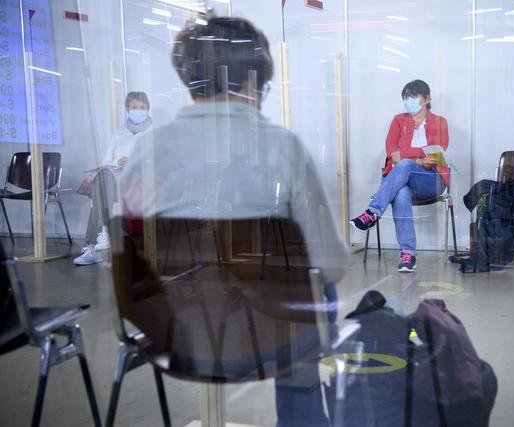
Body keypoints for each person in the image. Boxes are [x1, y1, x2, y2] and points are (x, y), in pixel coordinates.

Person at [118, 12, 348, 427]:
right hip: (268, 337)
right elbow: (332, 265)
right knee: (313, 296)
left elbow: (133, 248)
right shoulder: (283, 148)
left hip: (172, 332)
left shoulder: (146, 150)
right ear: (252, 82)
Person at [349, 80, 449, 272]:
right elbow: (392, 152)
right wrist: (418, 158)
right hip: (404, 180)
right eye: (406, 98)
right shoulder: (398, 121)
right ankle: (408, 254)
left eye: (414, 97)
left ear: (427, 98)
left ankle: (372, 213)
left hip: (431, 179)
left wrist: (409, 156)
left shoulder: (439, 122)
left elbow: (437, 151)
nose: (409, 101)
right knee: (401, 193)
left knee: (404, 164)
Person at [73, 91, 152, 265]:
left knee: (102, 187)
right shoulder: (119, 133)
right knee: (104, 179)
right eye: (134, 107)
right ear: (127, 109)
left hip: (140, 181)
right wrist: (118, 161)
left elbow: (158, 159)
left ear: (147, 109)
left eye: (142, 107)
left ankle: (94, 243)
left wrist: (134, 161)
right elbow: (106, 160)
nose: (138, 110)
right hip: (116, 181)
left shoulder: (153, 132)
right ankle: (101, 236)